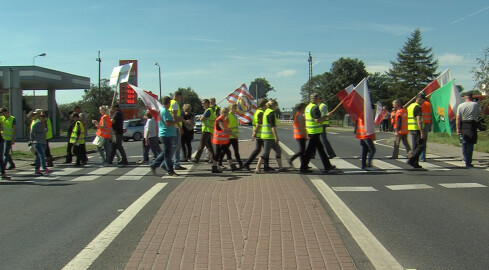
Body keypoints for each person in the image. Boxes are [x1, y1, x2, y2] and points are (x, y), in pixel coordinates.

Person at [300, 93, 336, 174]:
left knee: (320, 149)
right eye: (318, 98)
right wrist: (327, 116)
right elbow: (317, 120)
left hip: (311, 130)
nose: (319, 99)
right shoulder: (315, 108)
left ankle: (327, 166)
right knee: (309, 151)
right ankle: (303, 167)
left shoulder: (308, 107)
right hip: (315, 131)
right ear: (316, 99)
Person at [254, 99, 286, 174]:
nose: (277, 107)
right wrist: (276, 137)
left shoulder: (266, 112)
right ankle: (257, 168)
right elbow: (272, 126)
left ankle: (280, 167)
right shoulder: (271, 113)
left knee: (278, 150)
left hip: (267, 136)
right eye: (276, 105)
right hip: (269, 136)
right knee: (265, 153)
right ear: (274, 106)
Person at [149, 96, 178, 177]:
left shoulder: (162, 110)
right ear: (169, 103)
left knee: (165, 152)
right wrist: (176, 121)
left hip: (165, 134)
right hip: (166, 134)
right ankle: (170, 171)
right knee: (168, 154)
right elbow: (167, 123)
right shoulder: (165, 111)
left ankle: (155, 165)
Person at [242, 98, 271, 171]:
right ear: (264, 105)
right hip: (261, 134)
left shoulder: (257, 111)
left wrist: (254, 132)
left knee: (259, 150)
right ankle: (265, 166)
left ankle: (248, 164)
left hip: (259, 134)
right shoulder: (261, 112)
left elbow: (254, 124)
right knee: (265, 150)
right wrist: (254, 133)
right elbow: (258, 124)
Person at [456, 92, 481, 168]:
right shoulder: (475, 104)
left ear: (465, 97)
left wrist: (458, 128)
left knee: (464, 142)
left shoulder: (461, 105)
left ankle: (465, 158)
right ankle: (468, 160)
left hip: (464, 124)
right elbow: (479, 113)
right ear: (471, 97)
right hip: (472, 123)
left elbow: (458, 118)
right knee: (470, 143)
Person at [212, 107, 239, 173]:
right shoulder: (220, 120)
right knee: (219, 153)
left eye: (226, 112)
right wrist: (233, 135)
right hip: (219, 140)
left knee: (225, 152)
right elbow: (224, 129)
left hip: (222, 140)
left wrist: (230, 131)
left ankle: (231, 166)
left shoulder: (222, 120)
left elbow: (226, 128)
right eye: (224, 112)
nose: (225, 114)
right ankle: (214, 167)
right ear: (220, 112)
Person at [219, 103, 243, 168]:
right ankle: (219, 162)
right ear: (231, 108)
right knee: (225, 151)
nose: (236, 109)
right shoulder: (228, 115)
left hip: (234, 136)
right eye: (234, 108)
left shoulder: (235, 115)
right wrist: (229, 130)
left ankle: (240, 164)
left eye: (236, 108)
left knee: (236, 151)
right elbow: (225, 124)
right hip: (229, 136)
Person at [407, 93, 426, 169]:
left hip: (411, 128)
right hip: (416, 128)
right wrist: (422, 132)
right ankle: (411, 160)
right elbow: (419, 120)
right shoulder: (417, 107)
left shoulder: (410, 106)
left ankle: (415, 163)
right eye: (423, 101)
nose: (423, 102)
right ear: (420, 99)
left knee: (415, 146)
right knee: (421, 146)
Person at [192, 99, 215, 163]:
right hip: (208, 130)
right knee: (209, 145)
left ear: (207, 103)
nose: (202, 105)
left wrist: (201, 118)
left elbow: (202, 119)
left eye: (203, 103)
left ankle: (196, 158)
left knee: (201, 145)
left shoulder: (208, 111)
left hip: (206, 130)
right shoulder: (210, 110)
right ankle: (213, 158)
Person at [30, 111, 50, 175]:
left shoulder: (45, 124)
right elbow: (32, 132)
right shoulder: (37, 124)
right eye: (41, 116)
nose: (42, 117)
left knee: (39, 156)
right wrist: (32, 140)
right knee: (42, 155)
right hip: (37, 142)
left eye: (43, 116)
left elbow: (46, 131)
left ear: (46, 117)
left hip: (43, 141)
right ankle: (45, 168)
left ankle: (37, 169)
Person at [170, 91, 186, 170]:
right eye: (180, 97)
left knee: (172, 146)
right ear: (176, 96)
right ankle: (176, 163)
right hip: (175, 127)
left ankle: (172, 162)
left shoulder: (169, 103)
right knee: (176, 146)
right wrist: (179, 127)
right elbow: (174, 116)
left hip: (170, 126)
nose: (180, 99)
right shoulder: (175, 103)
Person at [419, 97, 432, 162]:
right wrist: (430, 125)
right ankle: (423, 157)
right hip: (427, 123)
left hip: (420, 124)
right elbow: (431, 115)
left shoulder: (419, 104)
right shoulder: (429, 104)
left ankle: (419, 156)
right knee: (424, 141)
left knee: (419, 141)